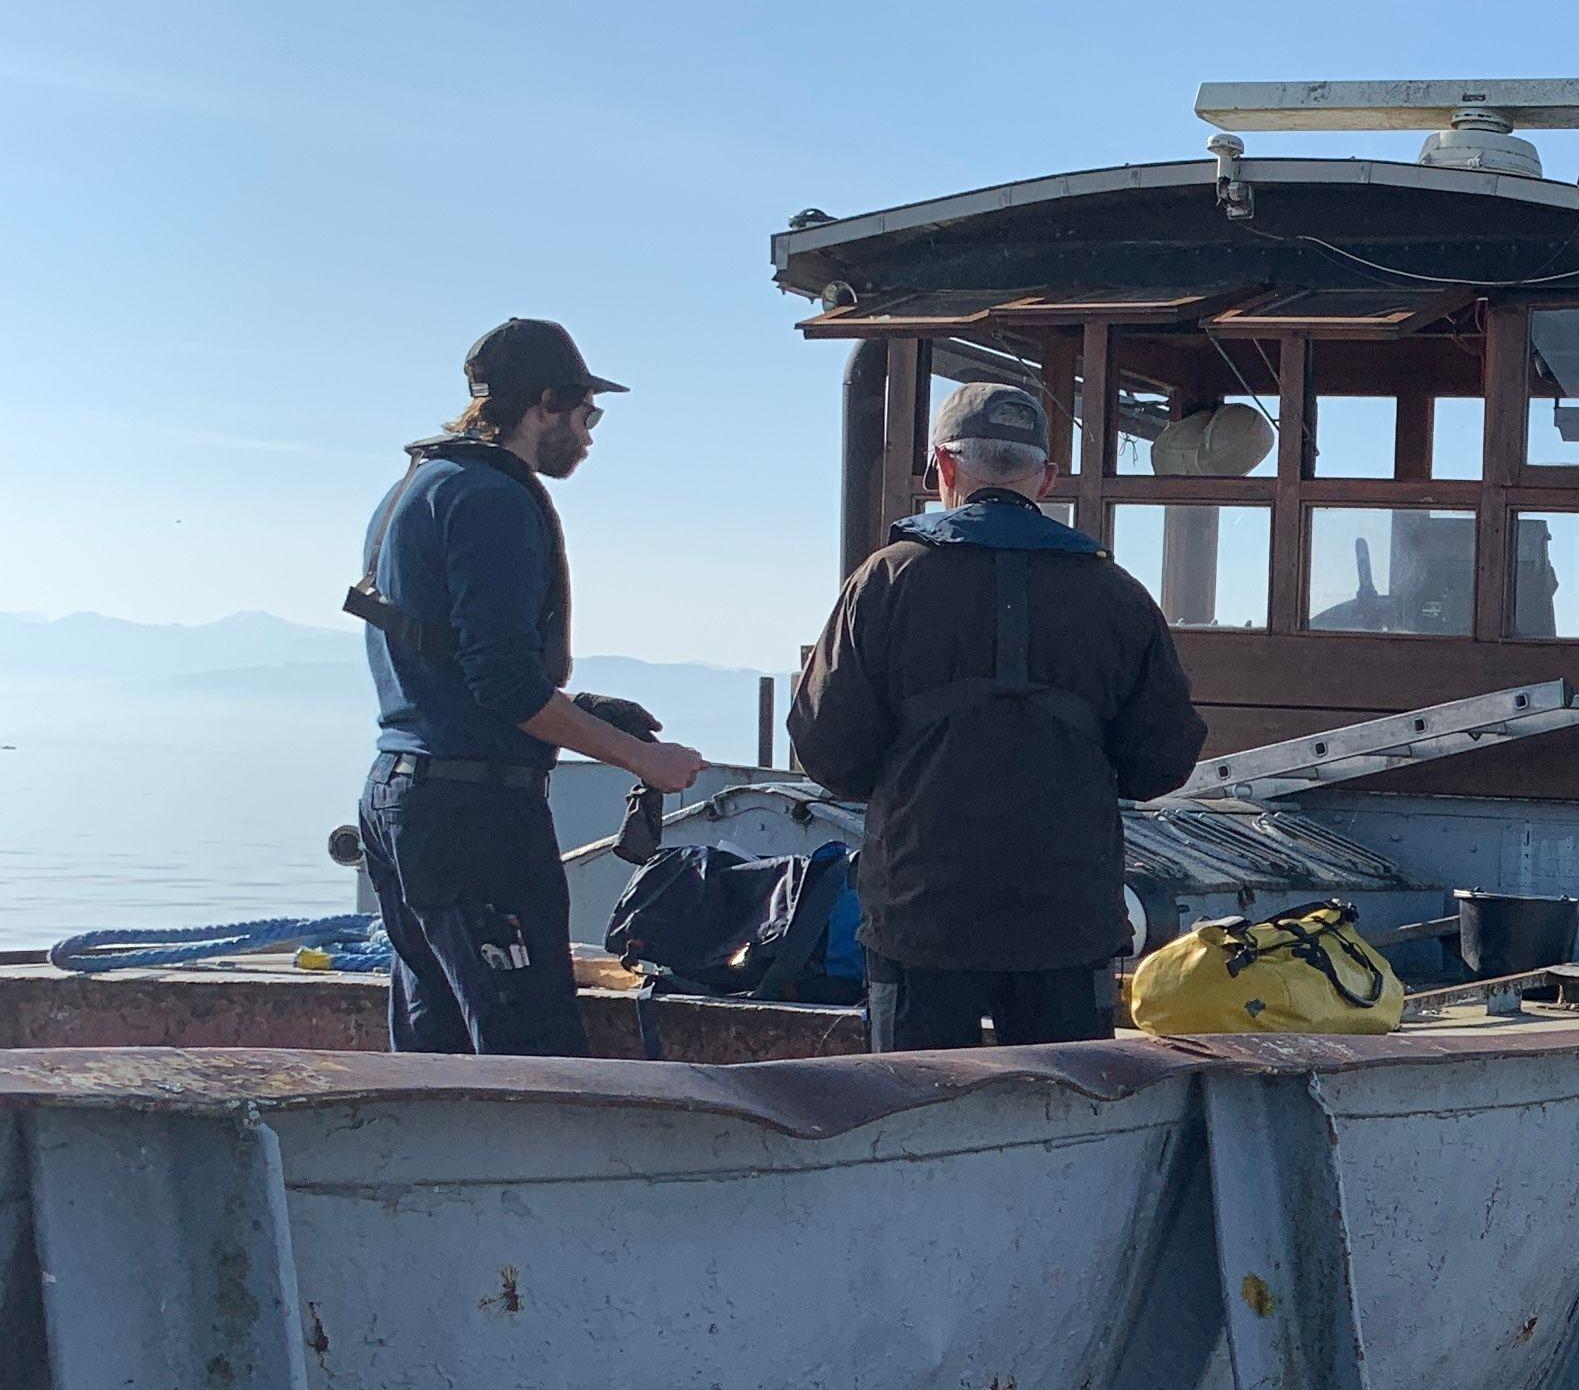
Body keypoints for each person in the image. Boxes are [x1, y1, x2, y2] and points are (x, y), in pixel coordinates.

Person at [788, 380, 1204, 1049]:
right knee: (1065, 1121)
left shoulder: (885, 580)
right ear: (1047, 479)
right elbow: (1164, 757)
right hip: (1068, 920)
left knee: (915, 1113)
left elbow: (828, 747)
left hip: (921, 915)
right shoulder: (1116, 593)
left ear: (944, 468)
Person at [353, 318, 708, 1055]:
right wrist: (644, 761)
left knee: (435, 1041)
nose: (589, 436)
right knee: (530, 1049)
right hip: (473, 817)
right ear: (545, 403)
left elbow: (453, 669)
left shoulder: (414, 489)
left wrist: (581, 710)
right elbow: (507, 686)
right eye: (587, 416)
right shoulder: (493, 500)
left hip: (400, 798)